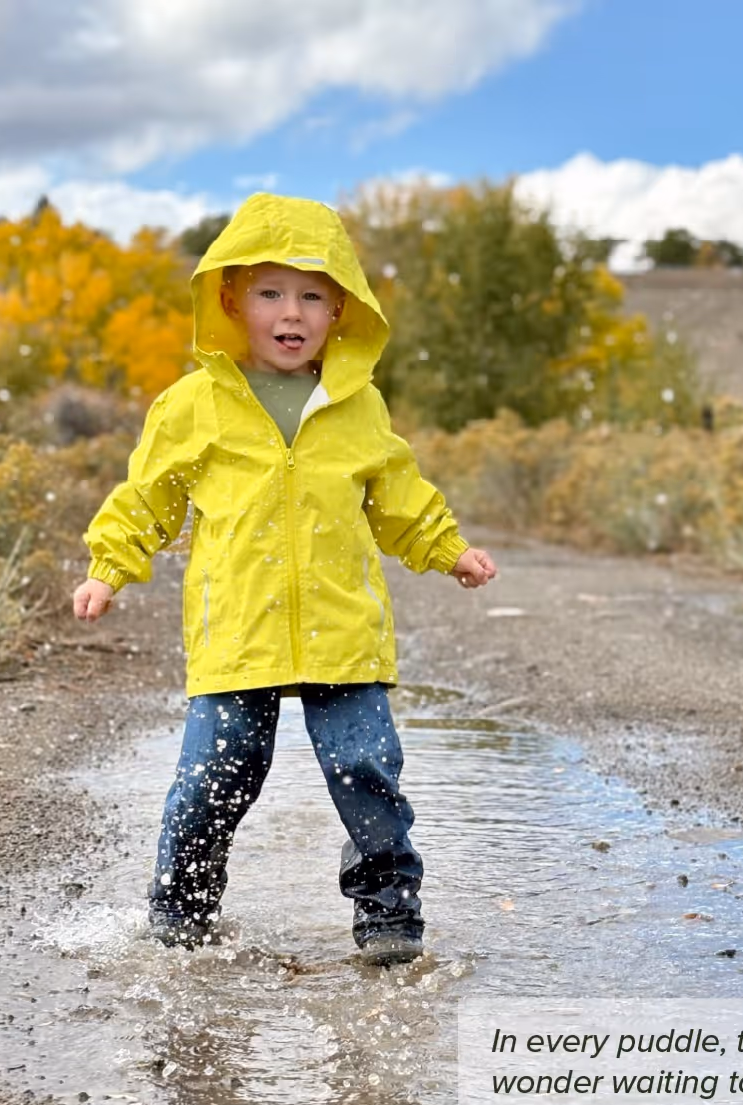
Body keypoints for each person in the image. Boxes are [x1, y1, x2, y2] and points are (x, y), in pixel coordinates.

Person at [72, 193, 498, 967]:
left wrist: (447, 547)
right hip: (239, 629)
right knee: (215, 776)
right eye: (271, 292)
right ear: (232, 300)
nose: (290, 312)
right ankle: (181, 909)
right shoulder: (195, 404)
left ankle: (387, 913)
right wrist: (110, 568)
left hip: (343, 629)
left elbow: (397, 495)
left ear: (341, 310)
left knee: (365, 769)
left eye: (311, 295)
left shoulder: (357, 404)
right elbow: (147, 497)